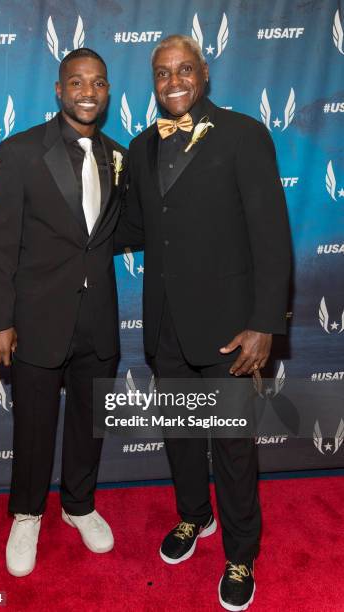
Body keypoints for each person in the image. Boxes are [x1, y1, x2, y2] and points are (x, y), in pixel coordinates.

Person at [115, 35, 291, 611]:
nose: (174, 82)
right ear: (153, 80)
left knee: (234, 449)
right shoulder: (141, 148)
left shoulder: (245, 135)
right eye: (162, 73)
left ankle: (242, 552)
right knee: (182, 438)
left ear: (205, 72)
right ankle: (195, 517)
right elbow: (135, 230)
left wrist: (265, 321)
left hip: (229, 330)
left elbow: (270, 237)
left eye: (184, 69)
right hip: (165, 326)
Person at [0, 48, 127, 577]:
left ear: (108, 92)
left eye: (99, 83)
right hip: (37, 316)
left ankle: (79, 504)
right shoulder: (20, 152)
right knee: (34, 424)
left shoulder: (118, 154)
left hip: (100, 318)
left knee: (91, 420)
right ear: (59, 90)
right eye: (77, 82)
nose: (88, 91)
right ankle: (26, 514)